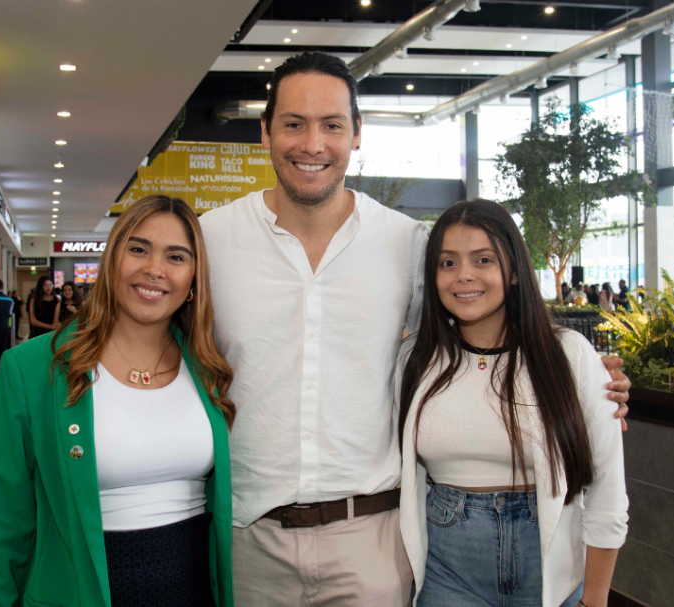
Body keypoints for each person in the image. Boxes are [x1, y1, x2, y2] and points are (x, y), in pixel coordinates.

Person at [198, 51, 631, 607]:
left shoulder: (407, 243)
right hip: (248, 537)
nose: (313, 144)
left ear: (357, 134)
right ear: (264, 132)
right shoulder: (212, 239)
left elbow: (477, 331)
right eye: (293, 124)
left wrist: (585, 376)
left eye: (332, 125)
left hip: (372, 542)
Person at [0, 196, 236, 607]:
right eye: (138, 248)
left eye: (177, 256)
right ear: (112, 259)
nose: (154, 269)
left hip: (192, 590)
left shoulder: (207, 366)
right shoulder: (34, 368)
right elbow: (2, 519)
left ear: (194, 280)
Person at [397, 200, 626, 607]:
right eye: (447, 263)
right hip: (447, 567)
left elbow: (607, 488)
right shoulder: (416, 359)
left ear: (516, 270)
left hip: (550, 563)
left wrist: (595, 599)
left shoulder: (568, 355)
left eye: (483, 259)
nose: (464, 275)